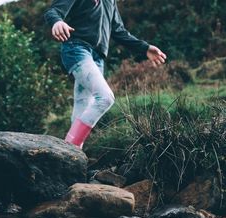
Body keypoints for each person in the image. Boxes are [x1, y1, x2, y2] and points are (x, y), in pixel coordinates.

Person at [44, 0, 167, 149]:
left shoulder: (110, 2)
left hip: (97, 58)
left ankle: (70, 155)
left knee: (82, 106)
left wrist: (145, 48)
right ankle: (70, 146)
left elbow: (119, 31)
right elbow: (53, 11)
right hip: (76, 49)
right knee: (105, 98)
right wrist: (56, 22)